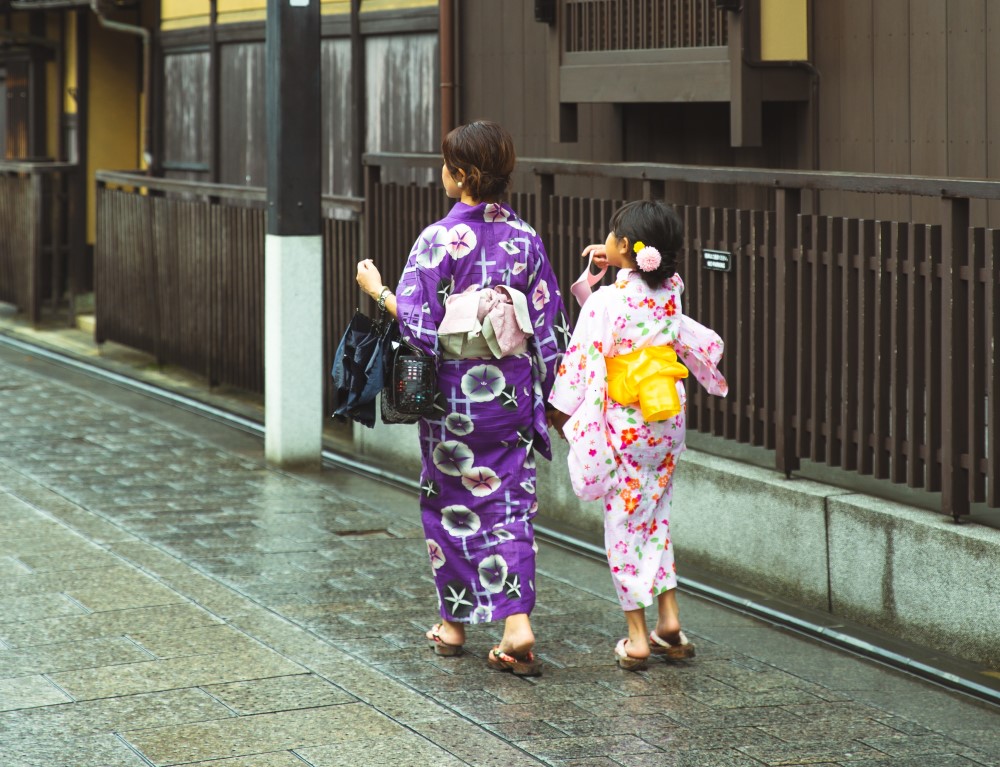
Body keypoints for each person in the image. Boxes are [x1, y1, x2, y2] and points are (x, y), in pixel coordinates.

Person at [356, 121, 569, 676]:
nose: (442, 173)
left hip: (454, 402)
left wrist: (377, 289)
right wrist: (553, 399)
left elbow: (421, 329)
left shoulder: (436, 240)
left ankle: (454, 624)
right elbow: (549, 327)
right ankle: (516, 624)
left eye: (447, 165)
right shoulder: (527, 240)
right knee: (511, 506)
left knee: (450, 502)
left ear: (462, 175)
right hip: (512, 398)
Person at [548, 200, 728, 671]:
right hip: (665, 418)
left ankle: (637, 637)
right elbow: (637, 298)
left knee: (624, 525)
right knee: (655, 515)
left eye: (612, 236)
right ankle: (669, 620)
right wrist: (606, 271)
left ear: (625, 246)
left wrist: (558, 410)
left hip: (625, 424)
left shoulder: (609, 300)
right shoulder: (671, 292)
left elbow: (584, 354)